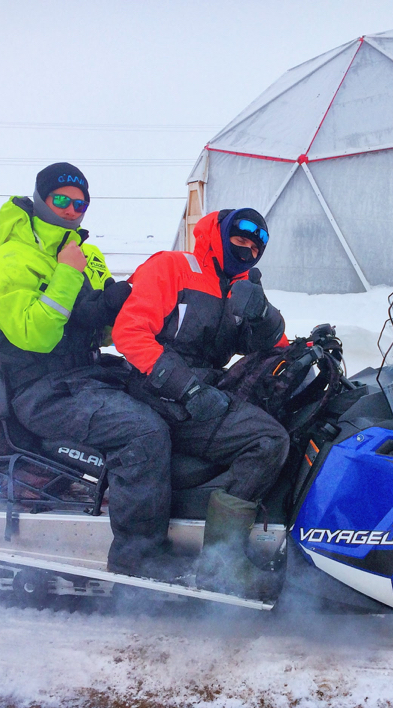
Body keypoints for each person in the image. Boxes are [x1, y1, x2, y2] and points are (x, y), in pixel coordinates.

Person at [0, 162, 174, 578]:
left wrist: (117, 308)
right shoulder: (8, 263)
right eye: (61, 200)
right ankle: (139, 562)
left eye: (80, 203)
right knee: (144, 431)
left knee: (172, 401)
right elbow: (37, 335)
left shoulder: (87, 255)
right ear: (41, 198)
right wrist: (67, 272)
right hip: (41, 392)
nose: (71, 210)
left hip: (88, 377)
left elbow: (96, 332)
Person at [112, 208, 290, 596]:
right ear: (221, 234)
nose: (246, 250)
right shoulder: (173, 267)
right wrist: (186, 388)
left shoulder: (239, 285)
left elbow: (274, 345)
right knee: (268, 440)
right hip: (158, 389)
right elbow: (129, 332)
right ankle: (222, 566)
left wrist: (264, 313)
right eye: (239, 239)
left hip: (204, 386)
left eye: (255, 246)